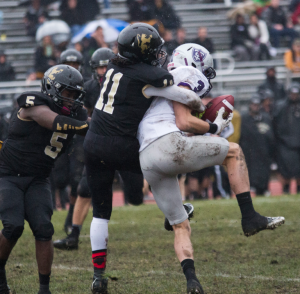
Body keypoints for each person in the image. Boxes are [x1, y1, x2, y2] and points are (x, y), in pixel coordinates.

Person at [137, 43, 284, 293]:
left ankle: (192, 281)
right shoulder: (186, 74)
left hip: (146, 157)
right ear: (193, 62)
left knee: (180, 224)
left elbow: (178, 121)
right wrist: (213, 128)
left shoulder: (163, 80)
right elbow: (184, 120)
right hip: (168, 144)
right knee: (233, 151)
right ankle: (249, 217)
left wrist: (202, 122)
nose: (205, 72)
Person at [83, 23, 207, 293]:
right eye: (154, 49)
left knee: (101, 213)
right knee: (159, 164)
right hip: (121, 144)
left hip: (93, 143)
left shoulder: (115, 66)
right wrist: (200, 107)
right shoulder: (146, 74)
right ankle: (174, 212)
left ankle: (97, 276)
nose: (159, 54)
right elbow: (177, 90)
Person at [0, 64, 89, 294]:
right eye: (68, 93)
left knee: (44, 228)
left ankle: (44, 289)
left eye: (75, 95)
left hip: (39, 177)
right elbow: (53, 121)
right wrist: (89, 124)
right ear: (52, 89)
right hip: (8, 175)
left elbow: (87, 124)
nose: (72, 100)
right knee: (13, 226)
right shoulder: (32, 104)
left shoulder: (77, 114)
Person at [53, 48, 145, 250]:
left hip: (124, 144)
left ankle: (173, 211)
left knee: (135, 197)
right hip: (99, 144)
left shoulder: (126, 84)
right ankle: (73, 234)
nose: (103, 70)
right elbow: (79, 114)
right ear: (94, 69)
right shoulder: (88, 88)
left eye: (106, 66)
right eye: (100, 67)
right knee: (84, 188)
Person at [240, 95, 275, 196]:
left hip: (263, 151)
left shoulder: (266, 118)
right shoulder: (244, 118)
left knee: (264, 173)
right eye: (253, 105)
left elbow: (270, 136)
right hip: (249, 152)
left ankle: (264, 189)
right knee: (250, 175)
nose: (255, 107)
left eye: (257, 105)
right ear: (250, 105)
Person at [273, 82, 300, 194]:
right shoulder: (281, 107)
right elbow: (276, 124)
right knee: (285, 170)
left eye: (296, 94)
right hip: (285, 144)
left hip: (298, 144)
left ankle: (298, 191)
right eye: (292, 93)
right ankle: (286, 190)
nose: (294, 96)